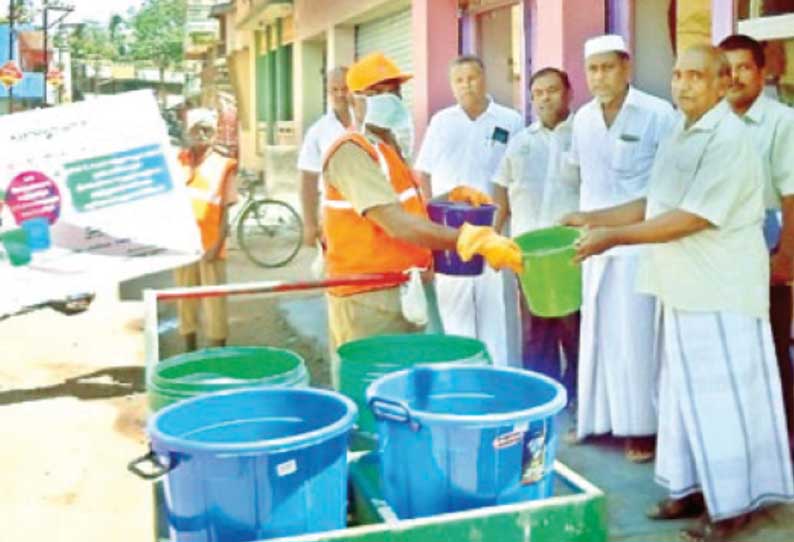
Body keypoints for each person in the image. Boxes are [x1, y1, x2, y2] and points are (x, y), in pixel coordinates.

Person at [568, 45, 794, 542]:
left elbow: (691, 217)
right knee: (679, 401)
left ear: (721, 84)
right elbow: (657, 201)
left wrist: (613, 237)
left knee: (721, 405)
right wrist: (595, 218)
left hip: (719, 294)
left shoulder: (729, 140)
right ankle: (690, 488)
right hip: (680, 289)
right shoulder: (680, 131)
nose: (683, 84)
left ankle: (731, 507)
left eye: (696, 75)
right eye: (677, 74)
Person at [321, 52, 521, 388]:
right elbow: (397, 222)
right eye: (378, 92)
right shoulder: (351, 152)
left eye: (395, 91)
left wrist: (450, 197)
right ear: (355, 101)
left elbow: (411, 208)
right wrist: (469, 239)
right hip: (367, 296)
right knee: (373, 392)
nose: (391, 99)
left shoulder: (387, 147)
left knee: (404, 391)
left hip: (402, 288)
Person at [568, 34, 675, 461]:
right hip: (593, 247)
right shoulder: (582, 119)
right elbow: (584, 180)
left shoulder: (657, 114)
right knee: (596, 337)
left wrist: (604, 224)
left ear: (626, 68)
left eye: (608, 67)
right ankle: (597, 421)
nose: (600, 77)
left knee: (636, 341)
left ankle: (641, 430)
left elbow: (665, 192)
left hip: (638, 247)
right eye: (592, 69)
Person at [415, 55, 524, 366]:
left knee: (495, 309)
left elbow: (515, 176)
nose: (466, 85)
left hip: (494, 229)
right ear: (452, 85)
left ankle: (499, 378)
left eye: (472, 78)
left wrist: (497, 228)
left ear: (485, 78)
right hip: (451, 232)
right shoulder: (441, 122)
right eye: (459, 80)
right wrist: (431, 223)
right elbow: (424, 174)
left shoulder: (509, 120)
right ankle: (462, 375)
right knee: (456, 307)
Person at [719, 34, 794, 457]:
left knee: (772, 347)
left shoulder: (782, 121)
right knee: (735, 351)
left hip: (768, 243)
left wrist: (786, 255)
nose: (734, 77)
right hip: (720, 253)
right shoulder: (713, 120)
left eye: (744, 67)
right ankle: (745, 441)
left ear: (762, 73)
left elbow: (792, 194)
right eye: (726, 68)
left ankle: (781, 446)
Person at [492, 67, 580, 413]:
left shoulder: (583, 135)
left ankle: (575, 396)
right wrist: (493, 237)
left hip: (570, 253)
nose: (545, 98)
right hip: (527, 255)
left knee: (574, 328)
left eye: (553, 90)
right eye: (538, 92)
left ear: (569, 93)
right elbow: (501, 189)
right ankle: (540, 398)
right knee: (535, 330)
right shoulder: (520, 142)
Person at [173, 108, 239, 352]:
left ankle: (218, 355)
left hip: (211, 247)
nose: (201, 134)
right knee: (185, 302)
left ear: (215, 133)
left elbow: (225, 212)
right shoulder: (178, 161)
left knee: (215, 305)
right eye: (196, 129)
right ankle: (189, 352)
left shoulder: (224, 166)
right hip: (183, 247)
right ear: (187, 132)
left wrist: (217, 245)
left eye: (207, 129)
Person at [297, 67, 353, 247]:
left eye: (345, 89)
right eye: (334, 90)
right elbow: (308, 180)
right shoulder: (318, 131)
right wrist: (310, 224)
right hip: (334, 216)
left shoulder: (371, 124)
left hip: (373, 214)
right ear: (327, 92)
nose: (340, 95)